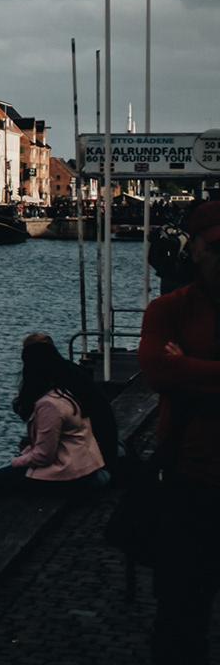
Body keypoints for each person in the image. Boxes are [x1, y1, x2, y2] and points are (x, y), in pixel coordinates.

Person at [138, 199, 220, 664]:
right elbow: (157, 371)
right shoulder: (168, 308)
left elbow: (176, 371)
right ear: (197, 252)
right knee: (179, 619)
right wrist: (177, 369)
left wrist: (192, 367)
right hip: (190, 478)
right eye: (218, 247)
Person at [0, 332, 108, 508]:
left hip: (68, 477)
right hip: (84, 466)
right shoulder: (66, 390)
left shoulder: (49, 404)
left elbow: (43, 457)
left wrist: (16, 461)